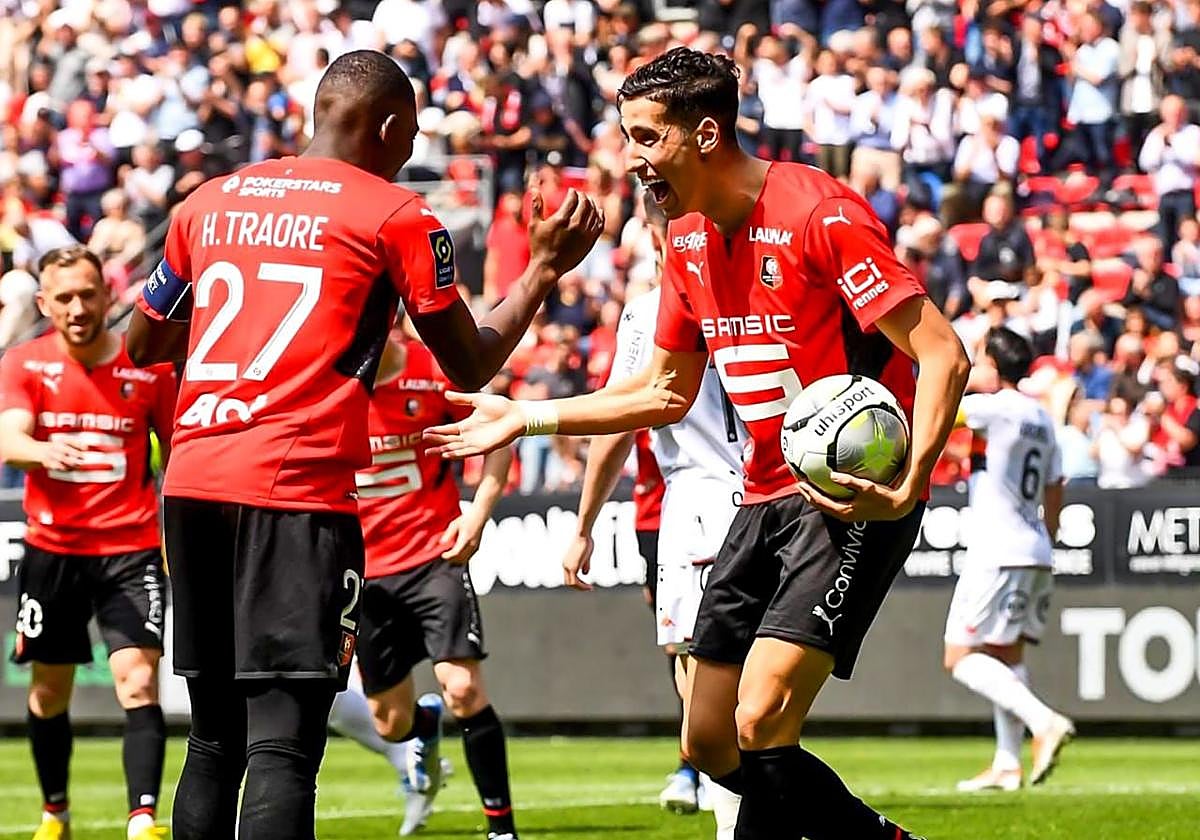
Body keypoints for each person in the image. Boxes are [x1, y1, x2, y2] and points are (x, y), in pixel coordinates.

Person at [424, 48, 970, 840]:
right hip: (759, 498)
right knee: (709, 740)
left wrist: (912, 476)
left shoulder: (821, 215)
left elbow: (944, 353)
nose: (633, 160)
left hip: (845, 501)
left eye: (646, 138)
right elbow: (663, 394)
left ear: (705, 133)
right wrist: (526, 416)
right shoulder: (684, 241)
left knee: (762, 716)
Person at [125, 50, 601, 840]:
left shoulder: (207, 202)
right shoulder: (394, 214)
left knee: (212, 738)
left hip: (195, 481)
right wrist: (542, 270)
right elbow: (471, 361)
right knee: (283, 743)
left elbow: (143, 343)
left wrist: (234, 337)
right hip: (295, 491)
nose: (410, 152)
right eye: (409, 135)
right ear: (386, 125)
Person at [560, 192, 746, 836]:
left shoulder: (649, 314)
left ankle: (733, 821)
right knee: (750, 671)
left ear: (661, 240)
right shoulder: (759, 295)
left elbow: (615, 425)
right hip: (771, 496)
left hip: (697, 503)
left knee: (698, 668)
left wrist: (582, 526)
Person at [0, 246, 177, 840]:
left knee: (139, 681)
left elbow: (176, 459)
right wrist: (41, 451)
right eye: (65, 298)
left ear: (108, 295)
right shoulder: (24, 363)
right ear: (44, 302)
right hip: (53, 552)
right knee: (49, 693)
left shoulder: (147, 367)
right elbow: (9, 436)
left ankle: (143, 819)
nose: (77, 308)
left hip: (131, 551)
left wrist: (181, 541)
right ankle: (56, 811)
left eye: (87, 294)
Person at [326, 331, 519, 840]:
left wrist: (477, 514)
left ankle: (502, 829)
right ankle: (423, 727)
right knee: (390, 722)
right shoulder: (326, 380)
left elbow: (501, 431)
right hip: (364, 572)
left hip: (435, 555)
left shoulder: (436, 370)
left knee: (463, 687)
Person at [942, 327, 1075, 793]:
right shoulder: (1040, 415)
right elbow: (1057, 483)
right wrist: (1049, 536)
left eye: (978, 360)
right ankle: (1006, 763)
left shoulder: (992, 408)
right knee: (1006, 655)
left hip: (995, 547)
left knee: (959, 657)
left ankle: (1044, 721)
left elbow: (938, 414)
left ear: (994, 368)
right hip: (1035, 544)